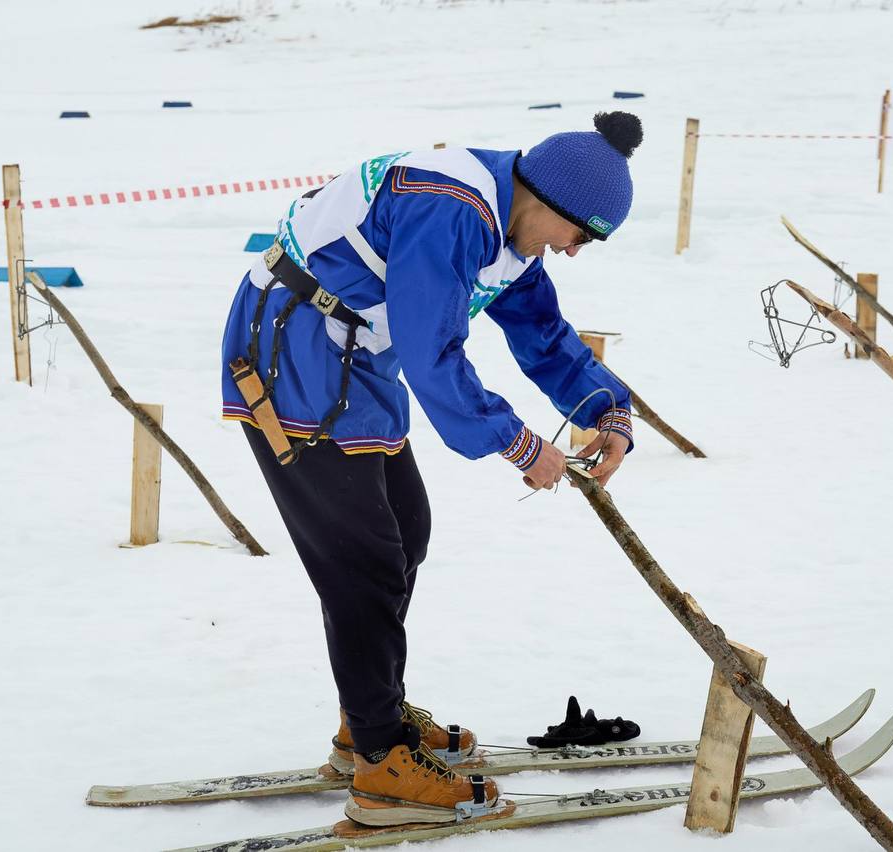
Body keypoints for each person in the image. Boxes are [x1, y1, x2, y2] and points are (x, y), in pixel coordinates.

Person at [220, 111, 643, 826]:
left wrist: (609, 408)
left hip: (355, 359)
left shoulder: (513, 222)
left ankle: (369, 718)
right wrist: (515, 443)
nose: (574, 253)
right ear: (548, 202)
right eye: (580, 237)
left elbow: (541, 332)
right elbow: (433, 352)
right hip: (293, 357)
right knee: (365, 560)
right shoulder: (451, 211)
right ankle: (383, 768)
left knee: (404, 533)